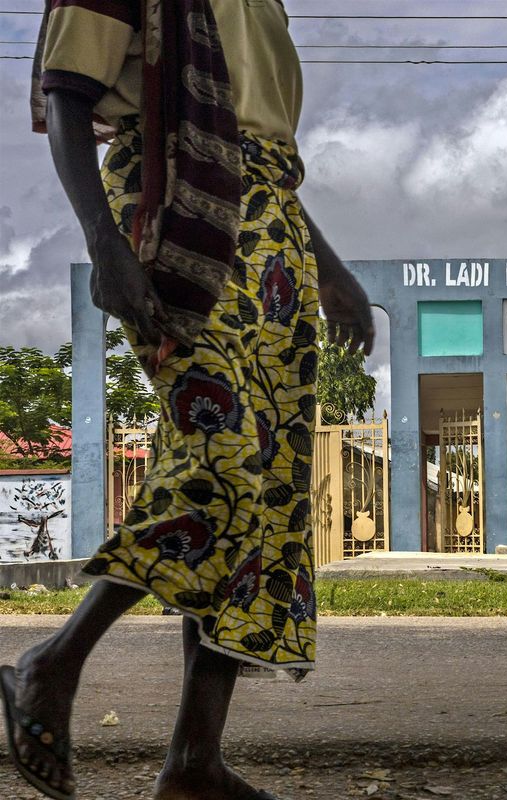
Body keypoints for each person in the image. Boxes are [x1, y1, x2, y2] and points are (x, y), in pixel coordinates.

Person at [1, 2, 374, 799]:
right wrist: (106, 243)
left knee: (269, 491)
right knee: (222, 457)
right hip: (174, 210)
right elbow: (67, 93)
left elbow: (258, 143)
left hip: (271, 226)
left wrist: (329, 266)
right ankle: (52, 665)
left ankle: (194, 763)